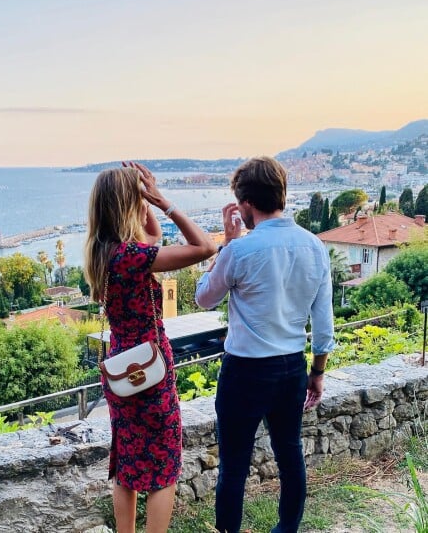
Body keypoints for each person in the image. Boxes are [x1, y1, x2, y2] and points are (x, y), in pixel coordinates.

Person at [195, 156, 335, 533]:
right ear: (282, 194)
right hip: (291, 366)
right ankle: (287, 528)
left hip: (244, 370)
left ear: (245, 205)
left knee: (234, 464)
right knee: (290, 454)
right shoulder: (314, 246)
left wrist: (227, 242)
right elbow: (323, 325)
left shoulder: (240, 251)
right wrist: (317, 373)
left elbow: (204, 298)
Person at [84, 162, 216, 533]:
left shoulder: (104, 254)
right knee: (164, 466)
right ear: (130, 203)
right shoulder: (133, 258)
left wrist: (144, 207)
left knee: (125, 462)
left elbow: (153, 241)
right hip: (152, 370)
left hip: (120, 371)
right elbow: (203, 247)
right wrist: (161, 202)